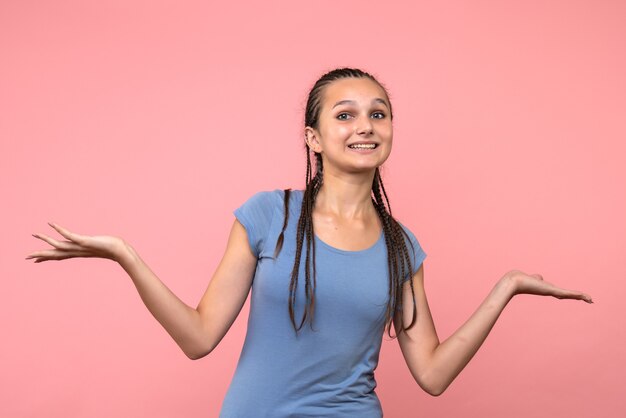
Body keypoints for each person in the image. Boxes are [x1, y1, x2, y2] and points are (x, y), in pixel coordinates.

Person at [26, 67, 593, 417]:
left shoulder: (402, 248)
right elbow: (198, 338)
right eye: (344, 115)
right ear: (313, 138)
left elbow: (434, 376)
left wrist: (507, 288)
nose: (365, 125)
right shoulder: (270, 214)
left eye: (379, 113)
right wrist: (126, 255)